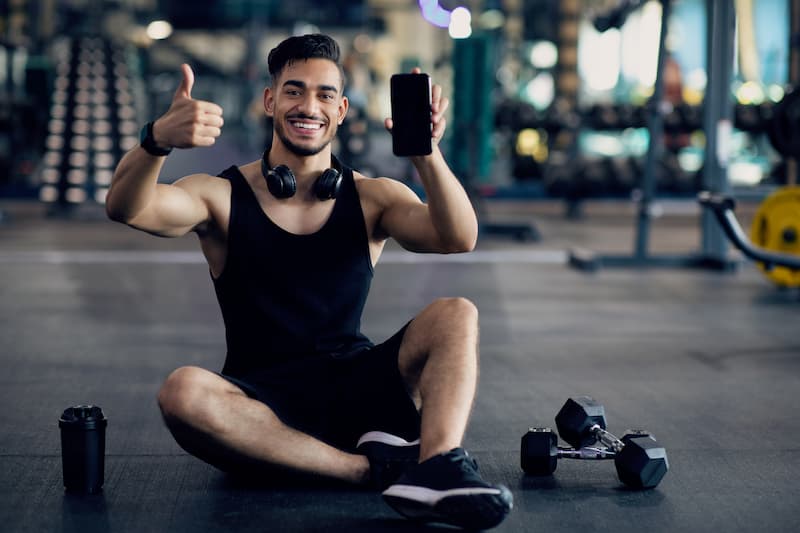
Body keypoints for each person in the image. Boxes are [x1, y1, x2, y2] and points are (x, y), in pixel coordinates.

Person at [106, 33, 512, 530]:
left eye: (324, 95)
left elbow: (457, 237)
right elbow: (128, 207)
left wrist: (426, 154)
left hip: (358, 382)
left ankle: (437, 466)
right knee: (181, 392)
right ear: (270, 101)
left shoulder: (373, 196)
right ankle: (367, 469)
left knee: (456, 313)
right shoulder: (218, 196)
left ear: (341, 110)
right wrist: (156, 141)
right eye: (294, 91)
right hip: (261, 406)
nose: (308, 106)